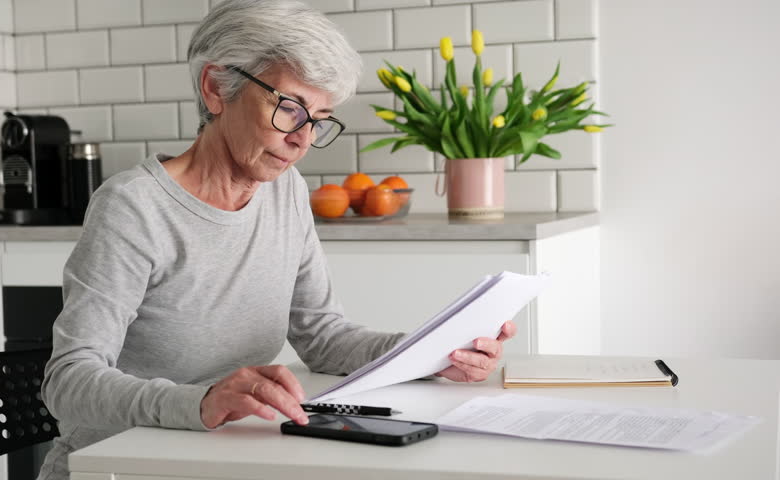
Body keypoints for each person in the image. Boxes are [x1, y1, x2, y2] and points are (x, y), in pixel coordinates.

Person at [37, 1, 516, 479]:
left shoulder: (285, 191)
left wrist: (432, 354)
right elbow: (68, 380)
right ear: (215, 89)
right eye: (290, 108)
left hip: (223, 456)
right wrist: (201, 402)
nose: (303, 140)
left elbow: (323, 337)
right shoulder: (135, 206)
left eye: (320, 118)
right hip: (118, 465)